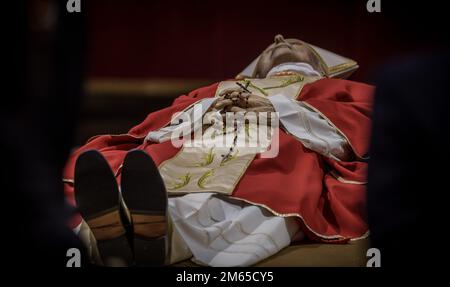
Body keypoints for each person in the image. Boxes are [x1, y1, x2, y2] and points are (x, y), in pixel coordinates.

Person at [64, 35, 374, 266]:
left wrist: (276, 108)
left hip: (275, 147)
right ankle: (133, 231)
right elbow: (158, 129)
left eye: (293, 42)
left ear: (320, 66)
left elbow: (354, 136)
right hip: (198, 142)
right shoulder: (214, 89)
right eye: (270, 47)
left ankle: (129, 237)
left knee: (250, 184)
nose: (279, 39)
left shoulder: (342, 91)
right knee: (156, 172)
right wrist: (205, 109)